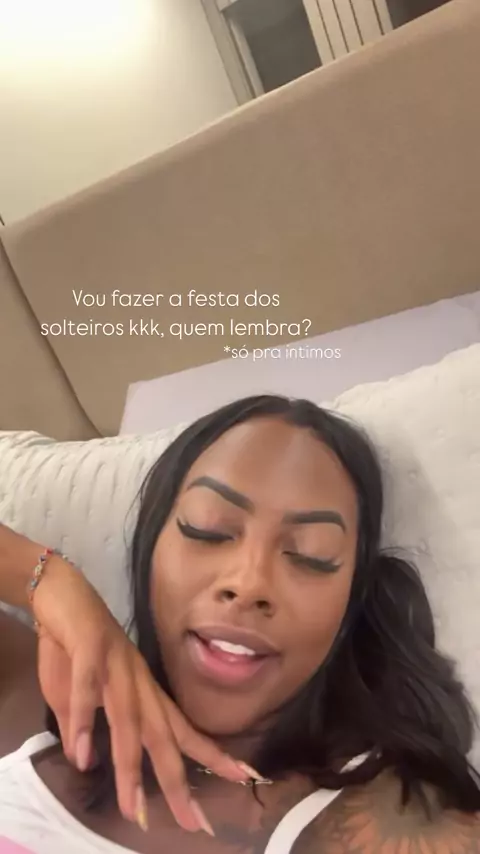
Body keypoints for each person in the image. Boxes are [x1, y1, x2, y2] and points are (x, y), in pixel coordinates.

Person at [0, 394, 479, 854]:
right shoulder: (40, 700)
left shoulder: (393, 823)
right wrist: (46, 579)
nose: (249, 584)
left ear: (350, 603)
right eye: (208, 529)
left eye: (311, 555)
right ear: (150, 546)